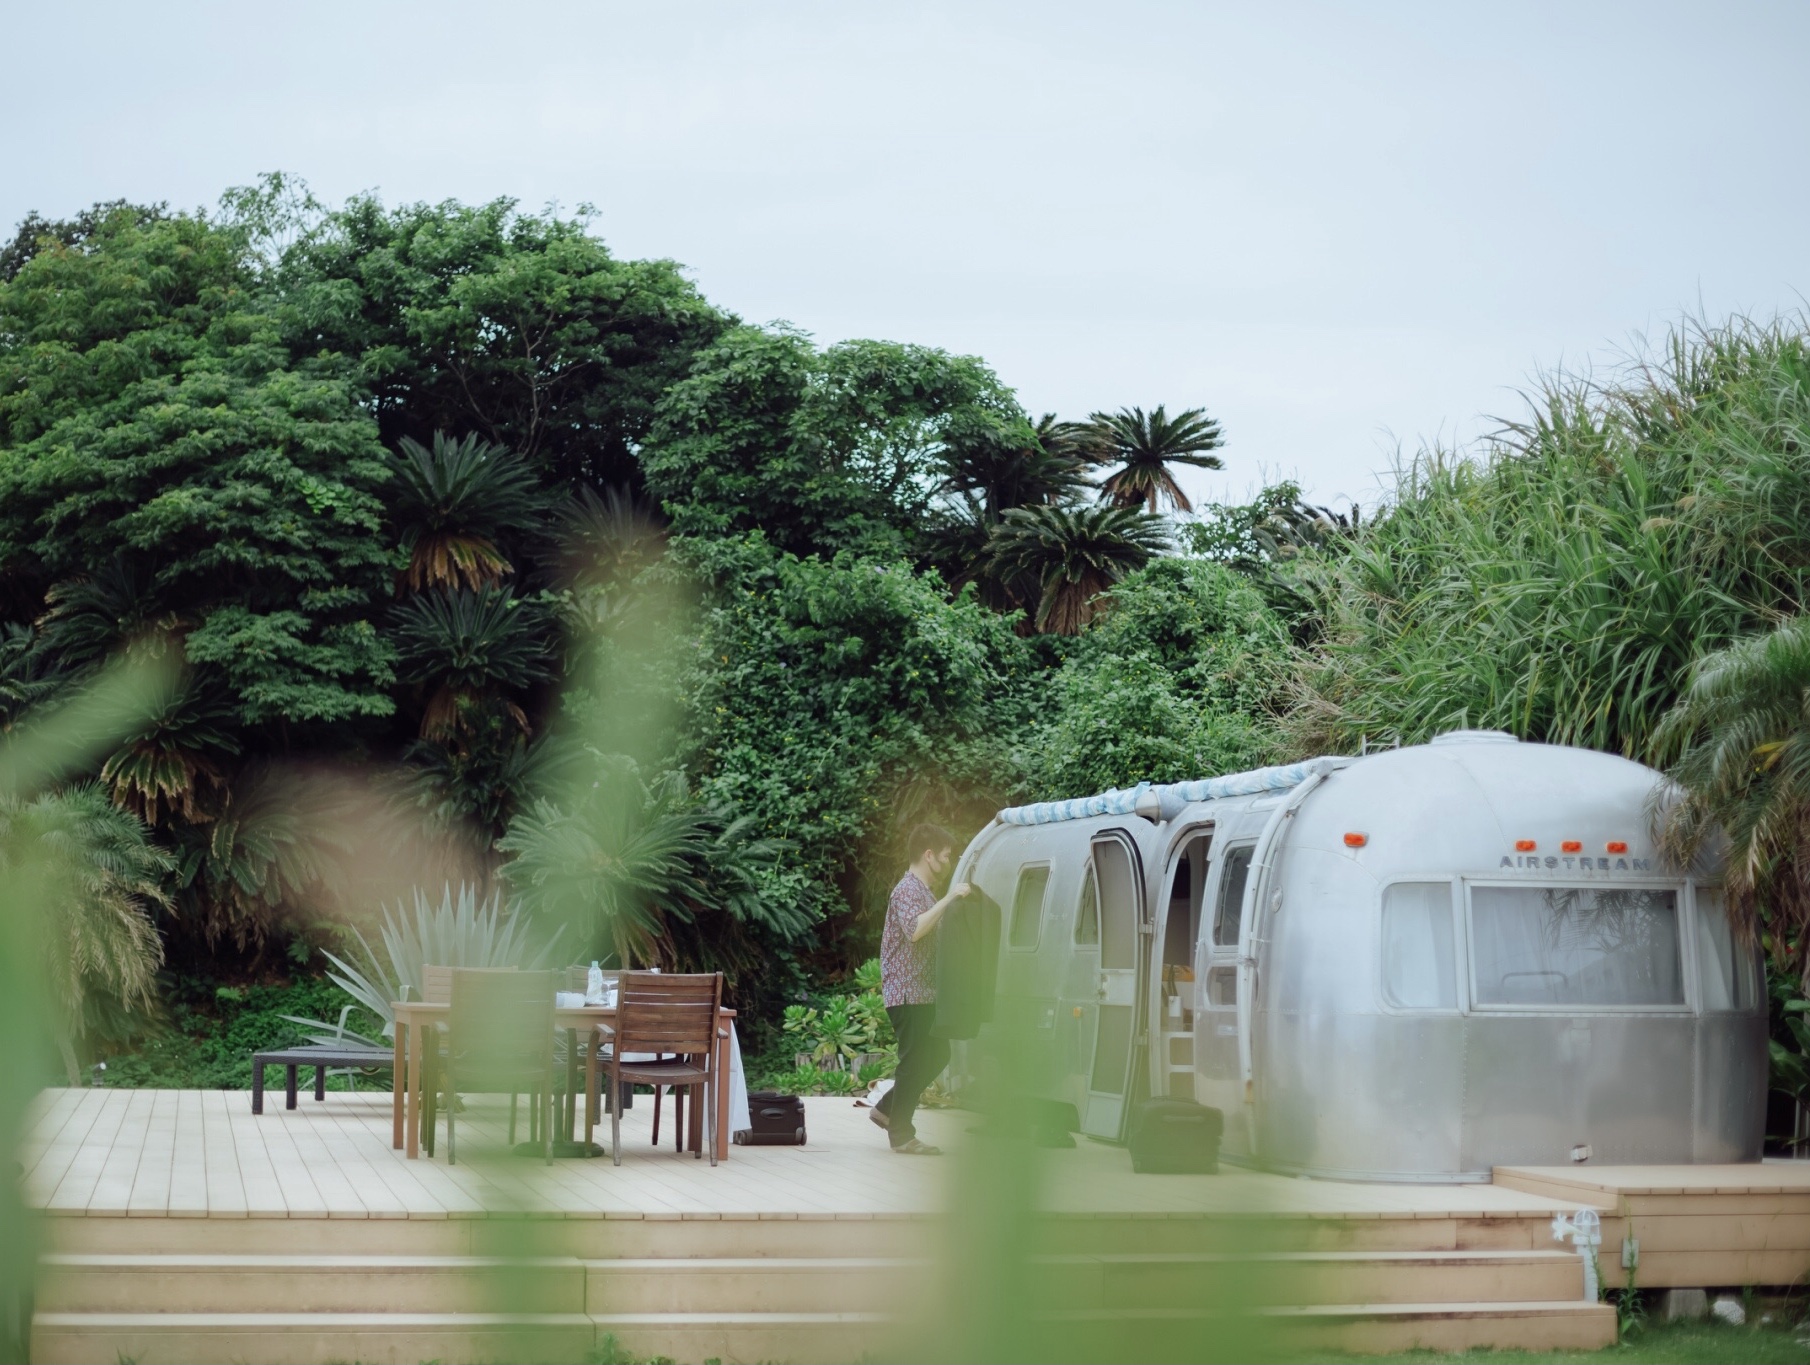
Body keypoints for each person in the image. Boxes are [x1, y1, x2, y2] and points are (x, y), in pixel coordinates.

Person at [873, 822, 970, 1155]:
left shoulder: (923, 891)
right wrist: (950, 899)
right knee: (914, 1060)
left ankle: (887, 1108)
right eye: (945, 856)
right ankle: (901, 1134)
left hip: (923, 994)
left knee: (938, 1054)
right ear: (929, 856)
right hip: (906, 993)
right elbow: (915, 930)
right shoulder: (907, 890)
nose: (948, 862)